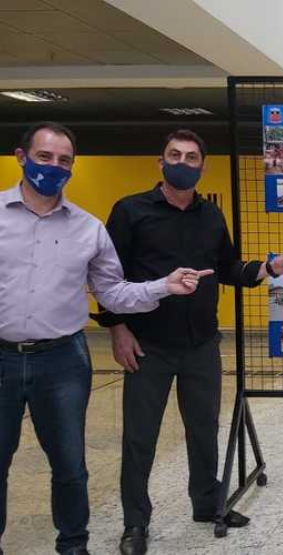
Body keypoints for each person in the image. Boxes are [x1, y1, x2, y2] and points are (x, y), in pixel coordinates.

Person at [0, 122, 212, 555]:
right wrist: (120, 331)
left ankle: (73, 546)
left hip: (62, 359)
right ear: (21, 157)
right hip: (3, 356)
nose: (54, 167)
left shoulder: (88, 228)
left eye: (63, 161)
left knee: (70, 467)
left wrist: (162, 287)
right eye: (44, 157)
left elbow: (112, 291)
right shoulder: (128, 211)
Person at [94, 129, 283, 555]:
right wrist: (117, 329)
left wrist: (270, 268)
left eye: (191, 157)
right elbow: (106, 278)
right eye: (174, 155)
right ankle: (135, 522)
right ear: (160, 162)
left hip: (201, 345)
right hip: (147, 345)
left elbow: (227, 268)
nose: (182, 163)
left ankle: (207, 504)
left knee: (204, 429)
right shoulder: (130, 211)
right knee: (140, 437)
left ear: (202, 166)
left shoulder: (210, 215)